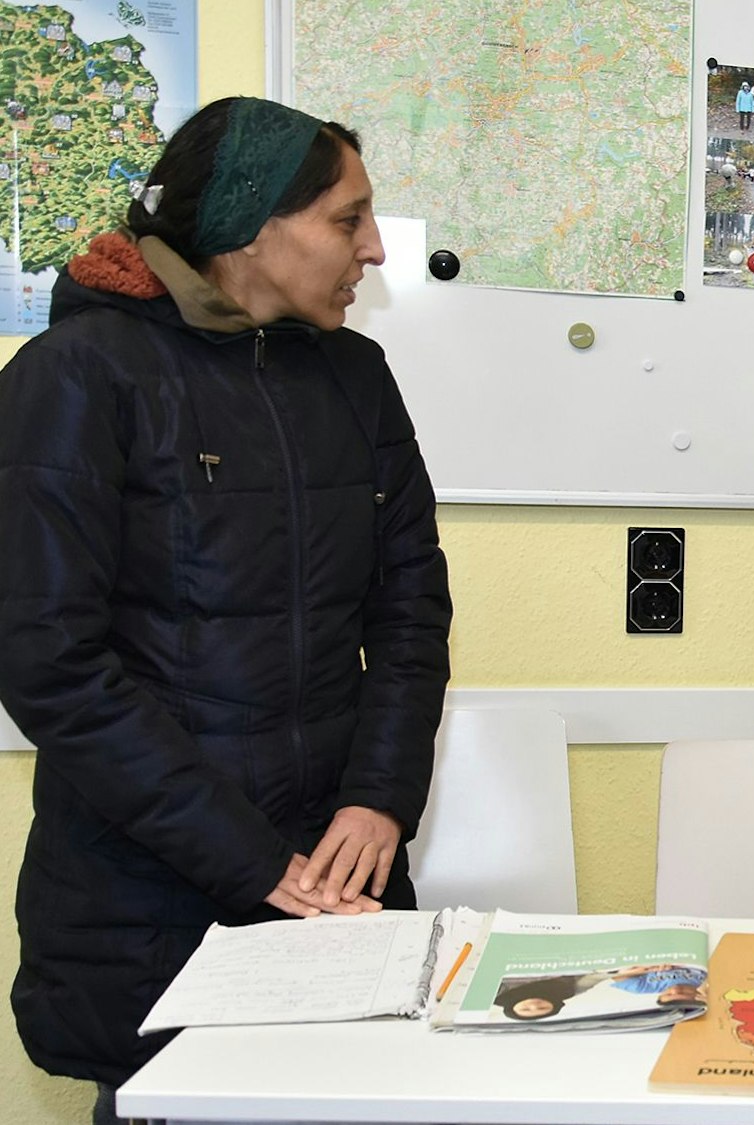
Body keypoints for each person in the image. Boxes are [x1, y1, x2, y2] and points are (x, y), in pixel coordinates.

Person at [0, 96, 452, 1122]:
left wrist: (377, 802)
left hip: (338, 893)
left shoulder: (356, 379)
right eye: (348, 219)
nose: (374, 249)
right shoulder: (77, 378)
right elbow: (51, 668)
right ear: (252, 222)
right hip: (149, 903)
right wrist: (256, 866)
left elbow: (412, 611)